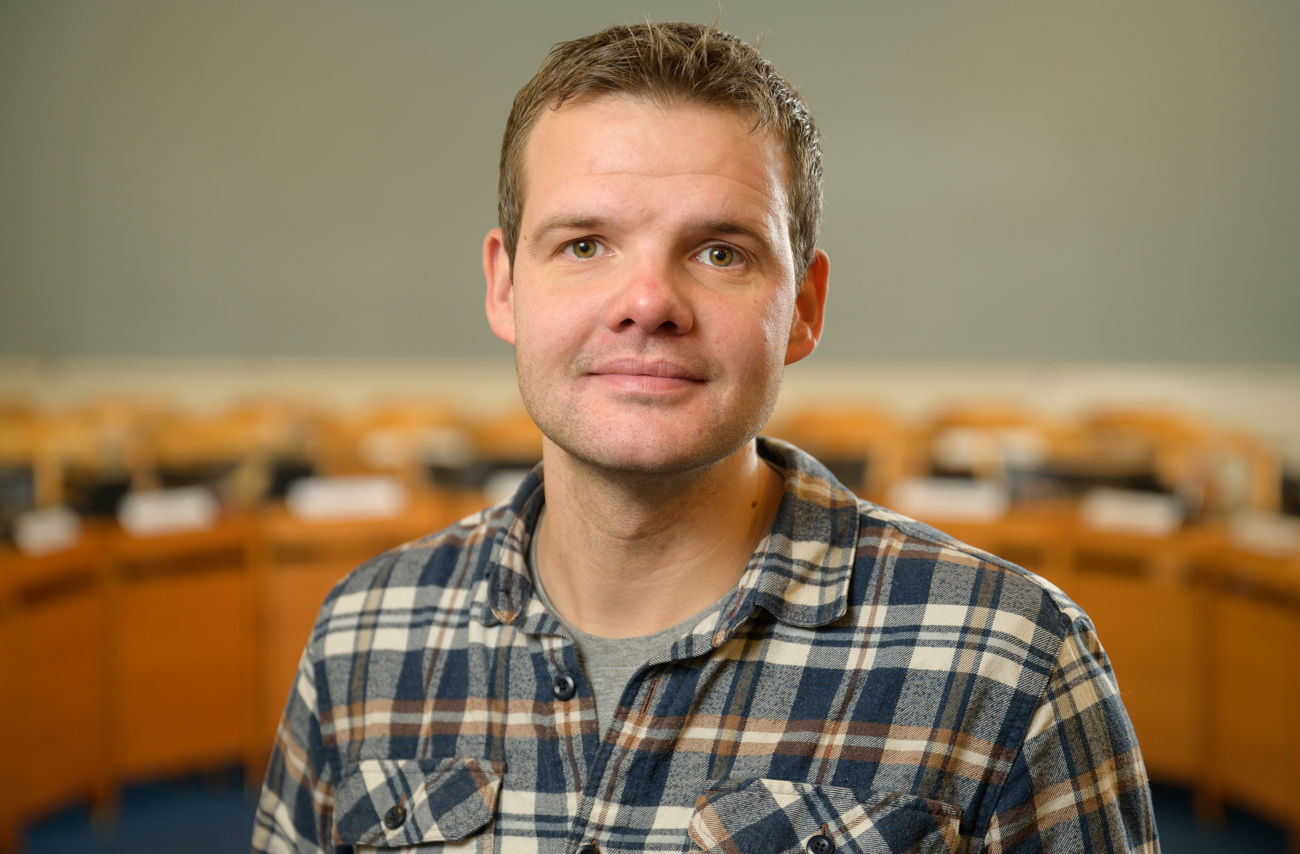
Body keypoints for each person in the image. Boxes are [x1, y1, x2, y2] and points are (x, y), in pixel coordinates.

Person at [252, 21, 1157, 853]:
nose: (648, 303)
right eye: (584, 245)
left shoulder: (1014, 666)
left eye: (720, 252)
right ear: (504, 288)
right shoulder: (359, 638)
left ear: (803, 308)